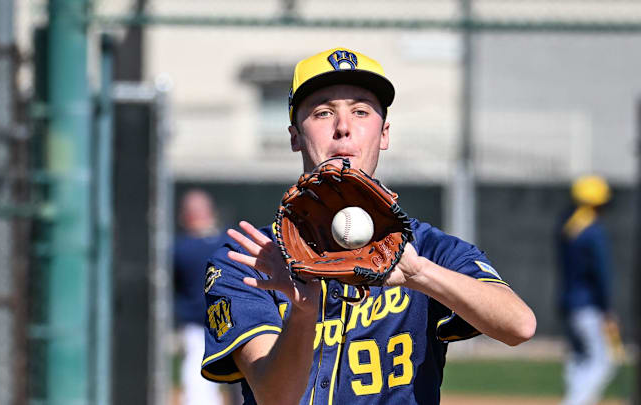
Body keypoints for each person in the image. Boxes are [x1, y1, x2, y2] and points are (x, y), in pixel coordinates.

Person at [201, 47, 536, 405]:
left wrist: (417, 273)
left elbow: (519, 326)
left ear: (385, 133)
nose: (343, 128)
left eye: (361, 111)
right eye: (323, 112)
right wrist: (301, 312)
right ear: (296, 135)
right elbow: (275, 397)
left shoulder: (425, 250)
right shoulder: (255, 257)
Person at [556, 175, 618, 405]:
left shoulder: (566, 227)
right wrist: (606, 309)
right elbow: (600, 274)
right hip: (588, 305)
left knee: (578, 360)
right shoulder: (593, 232)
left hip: (568, 303)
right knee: (605, 362)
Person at [173, 189, 224, 405]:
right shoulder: (227, 242)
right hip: (232, 322)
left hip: (197, 326)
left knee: (198, 383)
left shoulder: (179, 249)